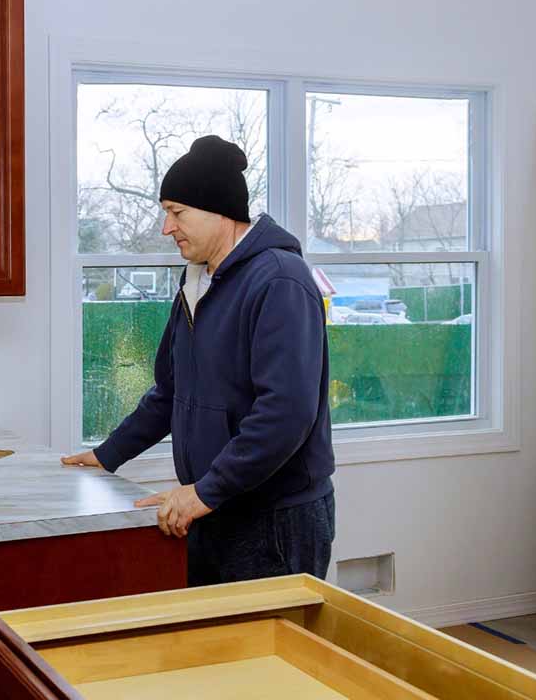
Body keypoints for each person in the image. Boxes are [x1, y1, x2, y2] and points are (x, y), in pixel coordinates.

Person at [62, 134, 336, 586]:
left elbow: (285, 414)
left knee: (257, 655)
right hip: (215, 505)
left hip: (274, 519)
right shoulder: (197, 283)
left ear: (219, 210)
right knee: (213, 650)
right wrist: (107, 455)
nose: (167, 228)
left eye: (176, 212)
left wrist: (204, 492)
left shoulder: (280, 281)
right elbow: (171, 393)